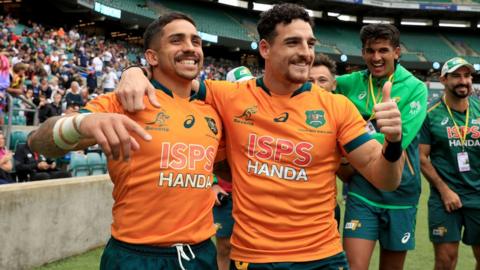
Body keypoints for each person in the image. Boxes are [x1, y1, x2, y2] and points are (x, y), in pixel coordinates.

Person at [116, 4, 404, 269]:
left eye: (310, 43)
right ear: (265, 48)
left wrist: (392, 144)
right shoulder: (228, 96)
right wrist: (134, 71)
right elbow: (170, 78)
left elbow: (385, 179)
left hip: (322, 257)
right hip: (252, 259)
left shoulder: (336, 106)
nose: (305, 52)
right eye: (293, 42)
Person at [29, 12, 222, 270]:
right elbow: (38, 142)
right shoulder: (123, 102)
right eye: (177, 40)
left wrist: (216, 184)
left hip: (201, 255)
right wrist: (81, 123)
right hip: (136, 256)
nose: (190, 47)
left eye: (195, 41)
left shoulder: (213, 111)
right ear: (151, 57)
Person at [335, 24, 428, 270]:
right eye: (370, 51)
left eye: (383, 50)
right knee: (354, 267)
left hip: (401, 193)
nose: (376, 58)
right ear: (363, 52)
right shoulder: (347, 84)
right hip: (362, 191)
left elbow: (400, 139)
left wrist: (349, 145)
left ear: (397, 52)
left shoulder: (415, 88)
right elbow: (318, 88)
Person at [419, 57, 480, 270]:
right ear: (443, 79)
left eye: (467, 75)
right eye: (456, 76)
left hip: (478, 195)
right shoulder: (430, 114)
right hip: (444, 198)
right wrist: (444, 190)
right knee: (445, 262)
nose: (463, 81)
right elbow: (421, 157)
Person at [213, 66, 254, 270]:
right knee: (224, 246)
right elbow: (202, 154)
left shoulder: (258, 116)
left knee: (252, 248)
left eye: (248, 85)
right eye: (239, 86)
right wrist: (211, 184)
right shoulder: (215, 117)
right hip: (225, 194)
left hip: (253, 194)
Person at [309, 53, 354, 229]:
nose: (316, 86)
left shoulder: (341, 117)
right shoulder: (283, 113)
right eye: (310, 80)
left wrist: (341, 156)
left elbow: (348, 176)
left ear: (333, 84)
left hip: (324, 211)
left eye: (322, 80)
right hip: (284, 211)